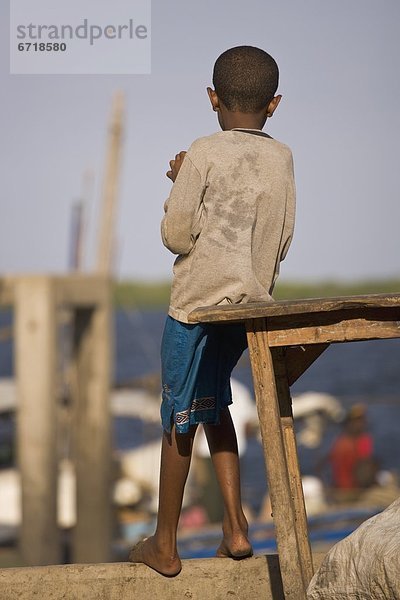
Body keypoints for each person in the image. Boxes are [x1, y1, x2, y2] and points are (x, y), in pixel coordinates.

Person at [129, 45, 296, 576]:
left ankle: (165, 545)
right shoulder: (282, 157)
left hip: (196, 309)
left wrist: (180, 182)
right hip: (249, 307)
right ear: (273, 105)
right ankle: (236, 529)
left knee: (179, 417)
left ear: (212, 98)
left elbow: (176, 236)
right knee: (215, 403)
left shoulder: (202, 151)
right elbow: (283, 237)